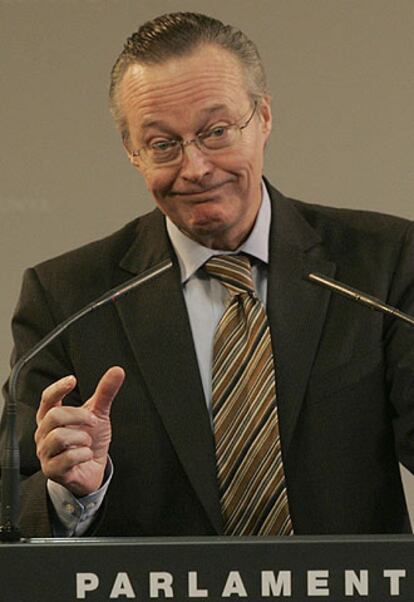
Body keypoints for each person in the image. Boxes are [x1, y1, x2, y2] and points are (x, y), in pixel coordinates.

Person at [1, 12, 414, 539]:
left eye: (216, 132)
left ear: (263, 117)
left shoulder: (383, 264)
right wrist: (74, 492)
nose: (195, 167)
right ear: (132, 153)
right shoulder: (67, 299)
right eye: (163, 144)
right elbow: (12, 513)